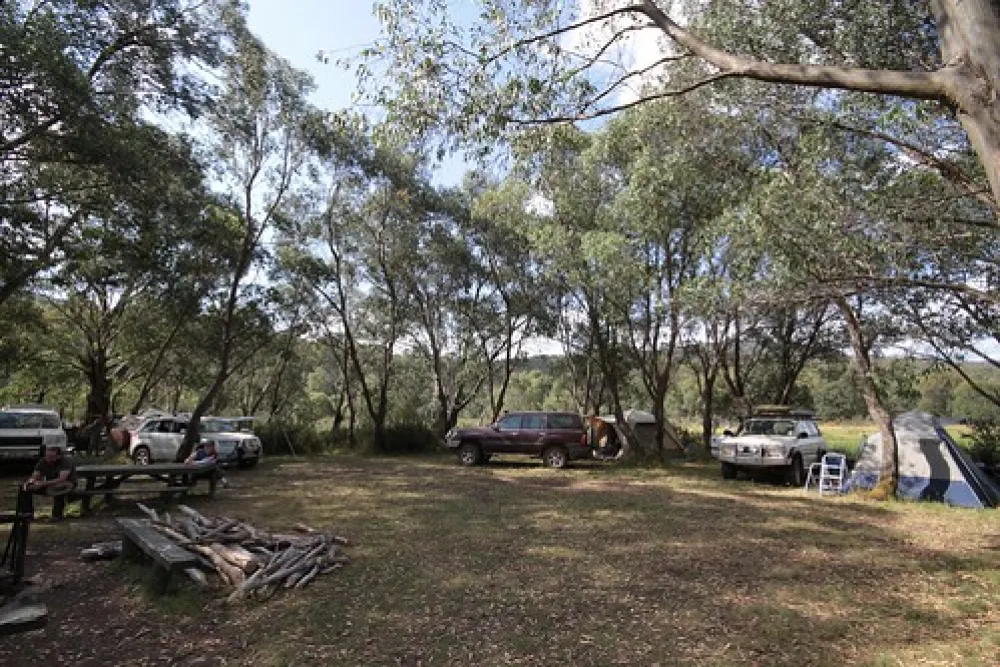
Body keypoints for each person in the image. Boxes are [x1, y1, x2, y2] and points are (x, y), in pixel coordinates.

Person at [25, 445, 77, 521]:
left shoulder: (65, 461)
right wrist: (31, 482)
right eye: (47, 456)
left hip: (67, 484)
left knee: (59, 489)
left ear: (58, 456)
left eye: (52, 456)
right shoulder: (43, 461)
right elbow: (35, 475)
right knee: (26, 488)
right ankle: (27, 514)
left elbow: (62, 479)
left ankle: (57, 515)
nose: (49, 458)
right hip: (50, 484)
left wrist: (42, 483)